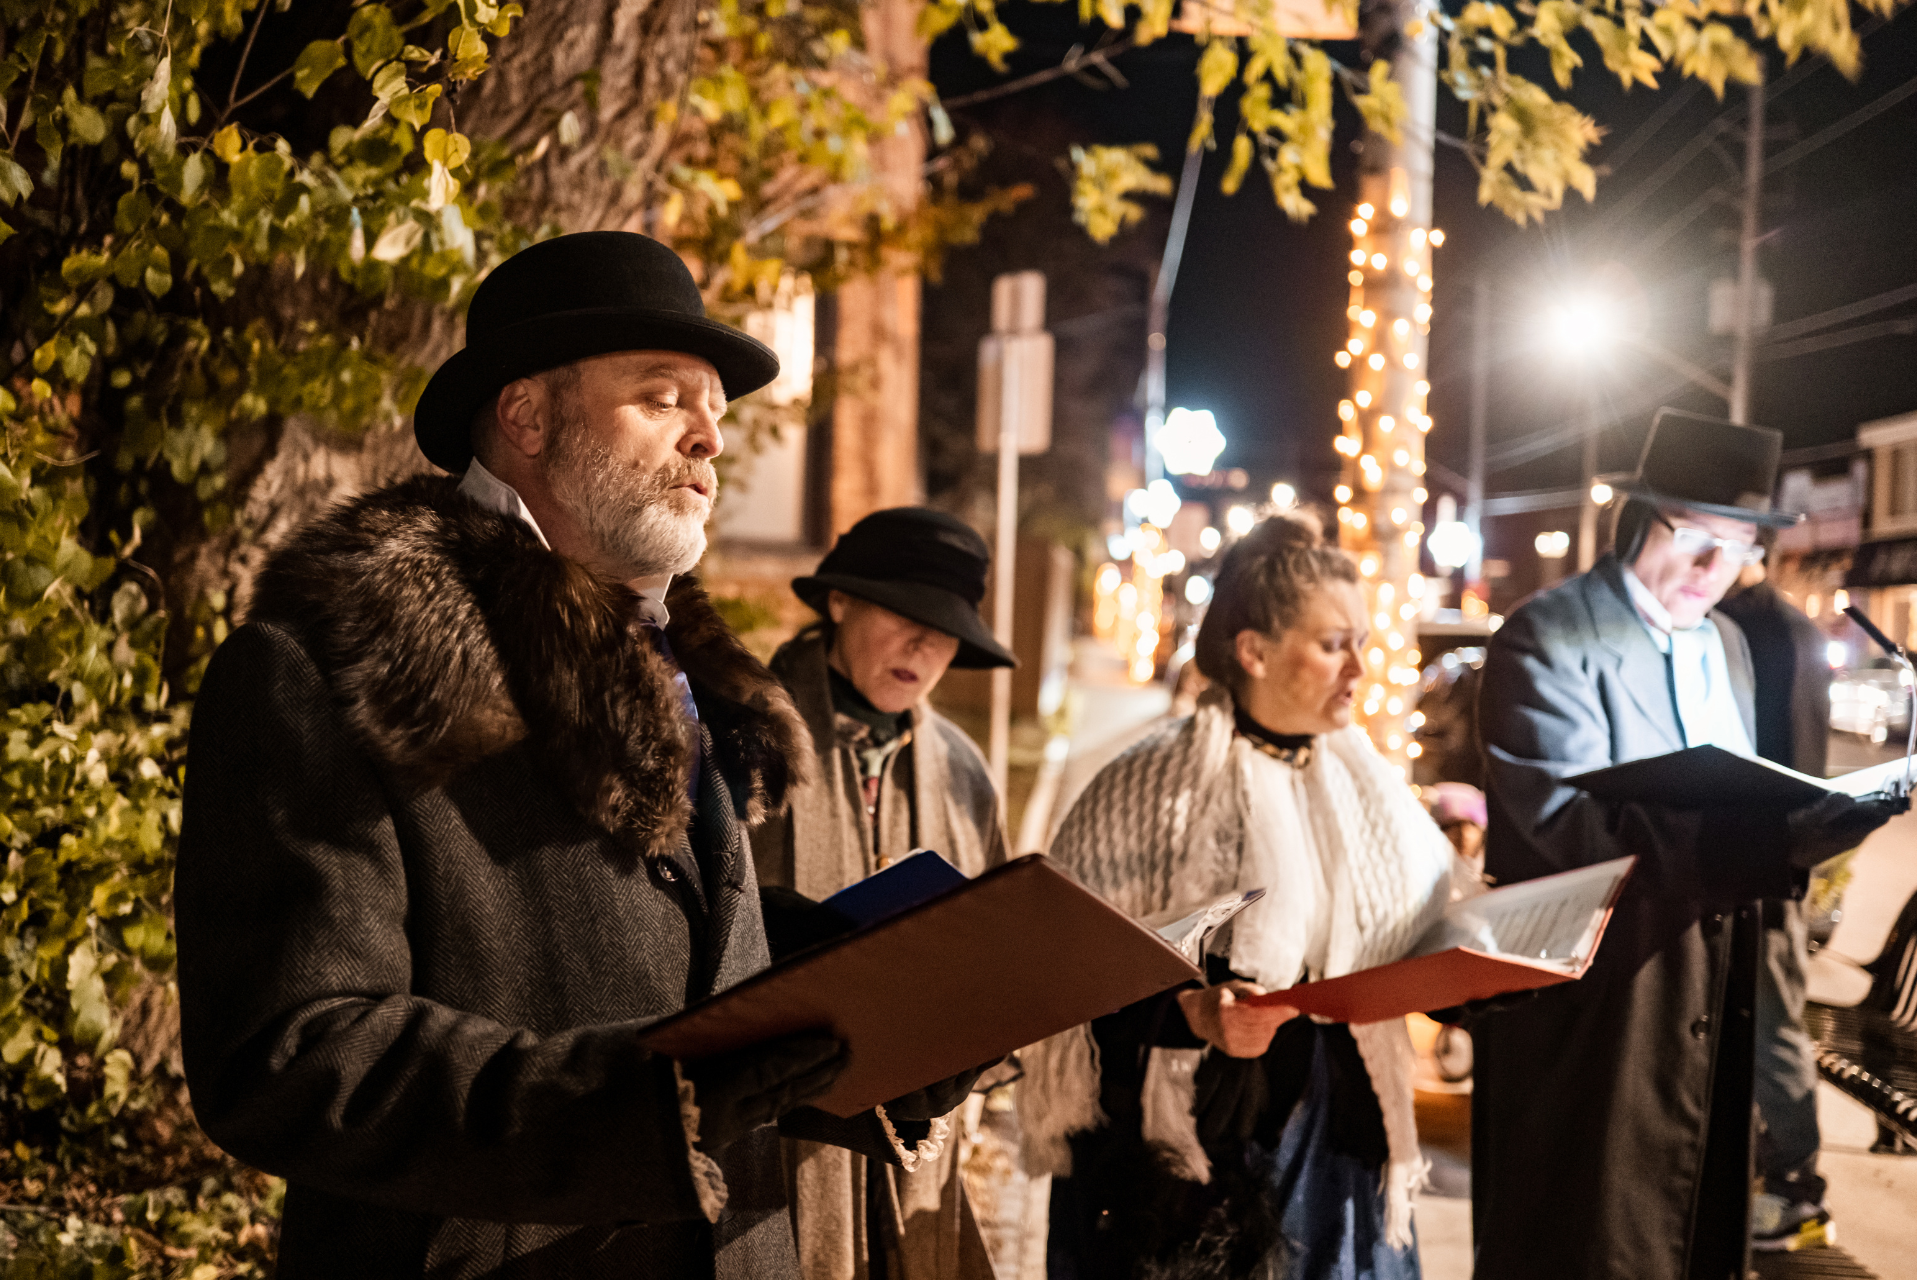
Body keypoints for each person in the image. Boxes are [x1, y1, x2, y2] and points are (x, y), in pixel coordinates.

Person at [175, 231, 963, 1278]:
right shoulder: (326, 668)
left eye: (714, 409)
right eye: (661, 397)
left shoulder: (672, 657)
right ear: (527, 414)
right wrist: (637, 1100)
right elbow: (290, 1051)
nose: (708, 440)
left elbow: (654, 942)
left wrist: (866, 1035)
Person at [1471, 410, 1900, 1280]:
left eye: (1739, 547)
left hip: (1716, 999)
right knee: (1588, 1239)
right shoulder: (1549, 636)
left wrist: (1822, 822)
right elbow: (1561, 835)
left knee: (1695, 1229)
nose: (1714, 571)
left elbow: (1730, 804)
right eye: (1696, 538)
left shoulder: (1727, 645)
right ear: (1639, 519)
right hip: (1601, 1014)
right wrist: (1764, 830)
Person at [1021, 511, 1466, 1280]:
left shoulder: (1373, 793)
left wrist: (1478, 972)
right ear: (1254, 651)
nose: (1359, 667)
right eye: (1333, 645)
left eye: (1359, 641)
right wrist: (1190, 1011)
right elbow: (1068, 975)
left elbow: (1423, 930)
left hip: (1339, 1146)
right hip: (1203, 1158)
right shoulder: (1148, 785)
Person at [751, 507, 1015, 1280]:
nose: (925, 648)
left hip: (914, 1151)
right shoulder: (742, 738)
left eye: (945, 631)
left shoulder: (963, 771)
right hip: (775, 1142)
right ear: (839, 601)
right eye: (904, 617)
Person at [1717, 559, 1837, 1250]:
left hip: (1766, 869)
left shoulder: (1779, 630)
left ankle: (1798, 1189)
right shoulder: (1737, 618)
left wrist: (1780, 866)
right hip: (1736, 862)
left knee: (1770, 1027)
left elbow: (1801, 771)